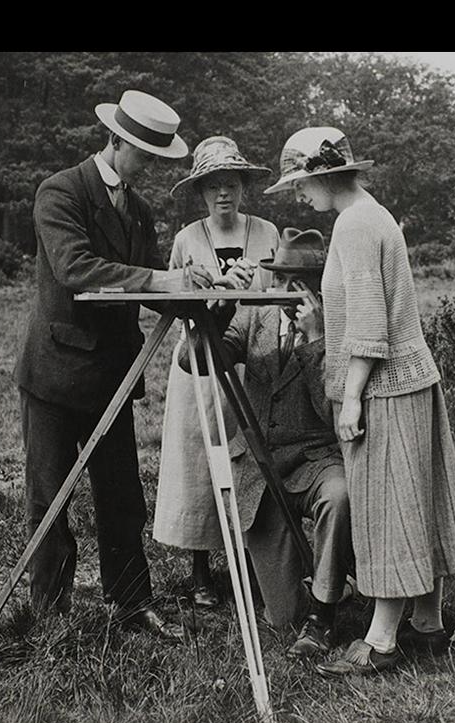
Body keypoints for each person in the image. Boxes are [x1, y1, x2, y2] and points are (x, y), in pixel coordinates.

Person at [264, 127, 455, 676]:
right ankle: (426, 624)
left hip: (384, 385)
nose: (298, 195)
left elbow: (366, 323)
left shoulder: (355, 225)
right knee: (416, 500)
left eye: (301, 183)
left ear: (323, 175)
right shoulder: (374, 214)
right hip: (409, 379)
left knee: (388, 509)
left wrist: (352, 398)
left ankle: (381, 641)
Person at [13, 89, 212, 642]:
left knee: (123, 498)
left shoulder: (139, 209)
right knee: (50, 499)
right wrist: (159, 279)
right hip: (55, 375)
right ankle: (50, 616)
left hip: (114, 377)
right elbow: (75, 268)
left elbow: (148, 279)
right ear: (117, 141)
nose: (148, 166)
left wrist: (200, 291)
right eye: (144, 154)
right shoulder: (60, 192)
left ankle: (131, 603)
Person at [177, 227, 355, 658]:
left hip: (315, 460)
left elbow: (333, 411)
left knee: (340, 496)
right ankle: (324, 582)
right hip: (260, 469)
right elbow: (192, 359)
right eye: (279, 280)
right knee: (280, 617)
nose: (285, 291)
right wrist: (217, 310)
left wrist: (315, 341)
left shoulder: (337, 322)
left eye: (298, 282)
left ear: (315, 286)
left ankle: (324, 617)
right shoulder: (253, 315)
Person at [153, 136, 280, 608]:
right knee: (198, 460)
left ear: (244, 187)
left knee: (251, 460)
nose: (222, 194)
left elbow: (283, 292)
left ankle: (252, 561)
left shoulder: (267, 233)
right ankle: (200, 570)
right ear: (201, 192)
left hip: (253, 362)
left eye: (230, 184)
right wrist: (208, 291)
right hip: (200, 365)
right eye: (212, 186)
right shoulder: (188, 238)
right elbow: (172, 301)